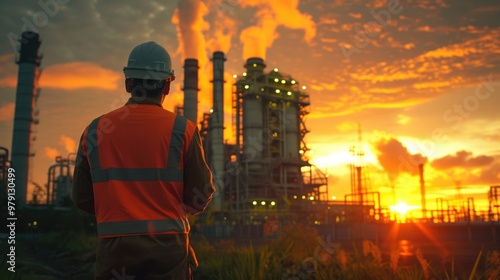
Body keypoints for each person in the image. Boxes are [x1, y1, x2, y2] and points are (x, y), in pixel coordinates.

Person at [72, 41, 215, 280]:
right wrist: (171, 213)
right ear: (167, 86)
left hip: (115, 250)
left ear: (128, 83)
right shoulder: (183, 129)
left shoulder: (96, 130)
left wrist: (116, 213)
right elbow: (202, 191)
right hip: (168, 249)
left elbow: (82, 197)